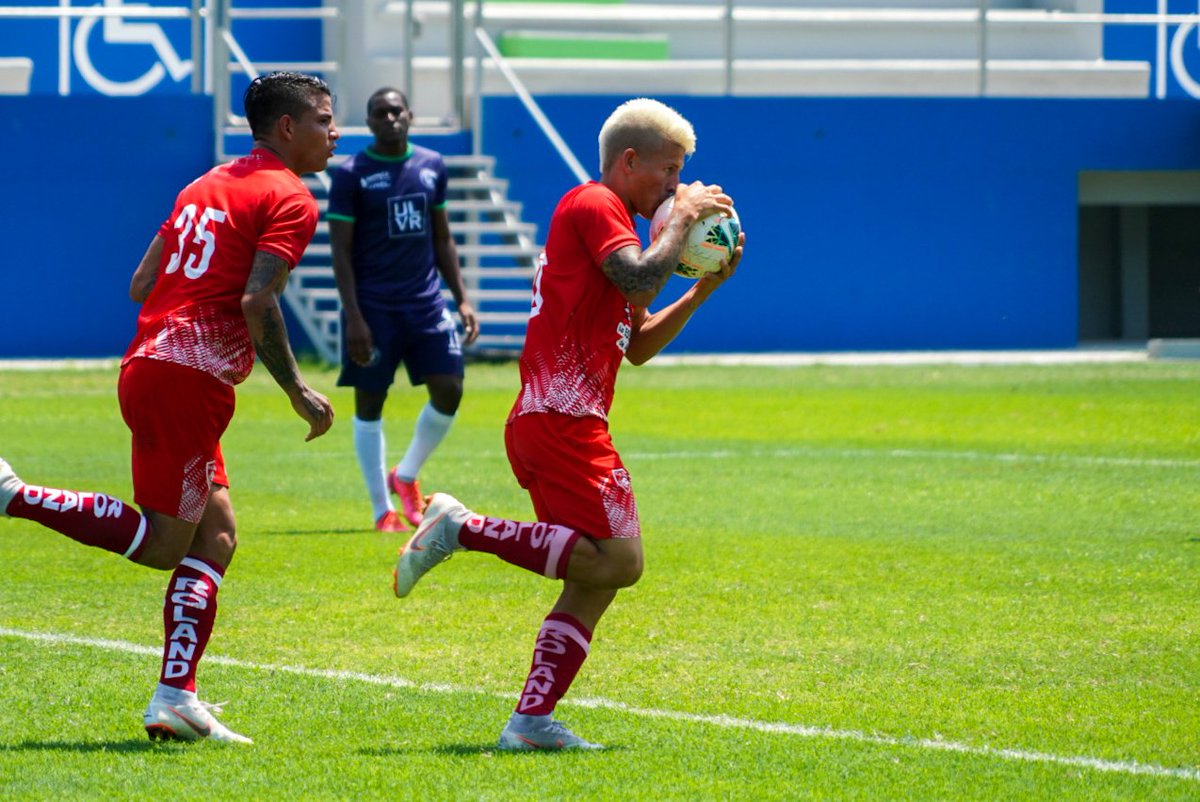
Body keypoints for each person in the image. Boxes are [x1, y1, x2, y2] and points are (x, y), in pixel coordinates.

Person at [391, 97, 744, 750]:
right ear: (629, 161)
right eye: (669, 172)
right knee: (622, 562)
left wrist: (701, 291)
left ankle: (528, 723)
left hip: (560, 418)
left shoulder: (617, 229)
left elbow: (635, 342)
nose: (675, 187)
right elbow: (638, 276)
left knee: (596, 577)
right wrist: (686, 219)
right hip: (562, 418)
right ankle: (462, 528)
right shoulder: (594, 206)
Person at [0, 71, 339, 744]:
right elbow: (255, 300)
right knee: (162, 546)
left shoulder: (204, 184)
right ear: (287, 128)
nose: (335, 132)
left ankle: (174, 699)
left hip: (156, 361)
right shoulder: (291, 197)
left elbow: (140, 283)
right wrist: (299, 390)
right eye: (325, 119)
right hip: (189, 378)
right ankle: (13, 494)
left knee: (216, 537)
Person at [328, 88, 479, 534]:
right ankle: (381, 510)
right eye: (381, 113)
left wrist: (463, 297)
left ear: (410, 115)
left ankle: (406, 474)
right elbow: (340, 252)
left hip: (426, 303)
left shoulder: (431, 166)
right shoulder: (352, 174)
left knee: (449, 388)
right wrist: (353, 317)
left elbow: (442, 238)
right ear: (370, 122)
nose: (390, 118)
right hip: (373, 308)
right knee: (370, 403)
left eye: (397, 110)